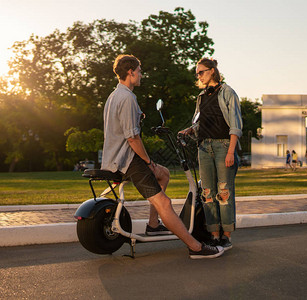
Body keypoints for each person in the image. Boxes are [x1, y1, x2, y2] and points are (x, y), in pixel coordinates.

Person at [101, 54, 223, 259]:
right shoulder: (128, 98)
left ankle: (153, 224)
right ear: (130, 72)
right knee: (164, 203)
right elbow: (133, 139)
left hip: (115, 157)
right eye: (139, 71)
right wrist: (148, 162)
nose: (141, 75)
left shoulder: (115, 96)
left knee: (163, 174)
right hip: (127, 160)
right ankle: (196, 247)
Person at [180, 58, 242, 251]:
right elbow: (200, 122)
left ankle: (226, 236)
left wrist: (231, 151)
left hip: (223, 146)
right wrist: (190, 130)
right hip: (204, 147)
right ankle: (214, 235)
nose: (198, 76)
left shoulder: (228, 92)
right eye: (197, 73)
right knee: (207, 193)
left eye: (201, 72)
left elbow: (235, 124)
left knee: (224, 192)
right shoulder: (201, 96)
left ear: (212, 71)